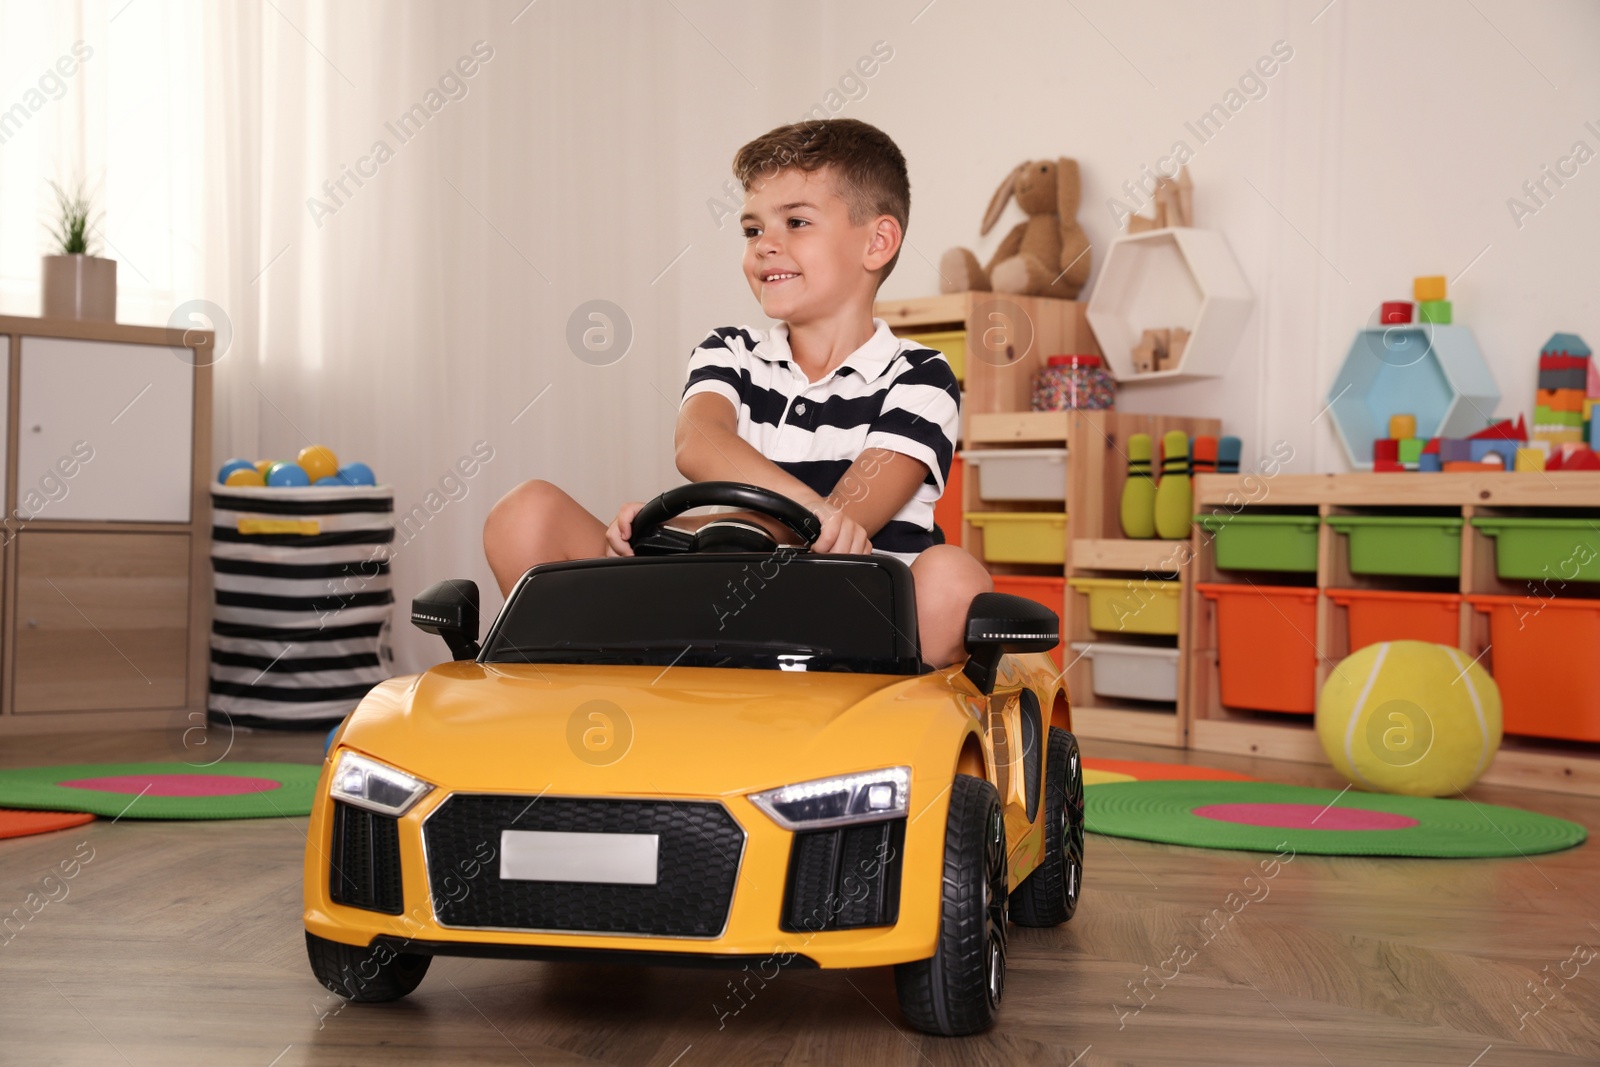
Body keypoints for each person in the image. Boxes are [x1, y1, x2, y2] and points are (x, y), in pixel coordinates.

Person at [483, 117, 991, 668]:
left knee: (953, 574)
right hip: (719, 602)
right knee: (526, 511)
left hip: (848, 621)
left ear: (877, 242)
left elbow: (847, 519)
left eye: (796, 222)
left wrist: (692, 531)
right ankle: (583, 698)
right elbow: (700, 442)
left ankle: (867, 724)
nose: (766, 246)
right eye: (752, 231)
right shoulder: (730, 351)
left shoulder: (919, 374)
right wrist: (657, 534)